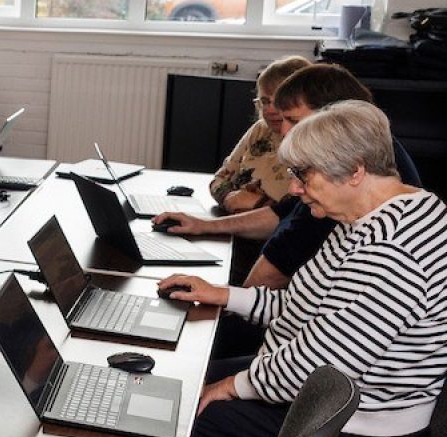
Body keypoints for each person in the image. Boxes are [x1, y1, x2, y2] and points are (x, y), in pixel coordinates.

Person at [163, 100, 447, 437]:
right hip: (344, 390)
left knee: (182, 427)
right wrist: (224, 295)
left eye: (304, 174)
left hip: (368, 418)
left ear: (356, 170)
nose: (294, 188)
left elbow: (318, 363)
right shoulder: (385, 211)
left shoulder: (391, 250)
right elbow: (302, 308)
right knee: (188, 385)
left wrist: (232, 387)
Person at [153, 64, 421, 291]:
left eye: (293, 120)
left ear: (332, 116)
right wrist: (203, 226)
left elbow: (280, 262)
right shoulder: (372, 149)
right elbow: (282, 214)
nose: (283, 132)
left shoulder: (337, 173)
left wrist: (228, 311)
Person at [208, 55, 310, 212]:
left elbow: (300, 211)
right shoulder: (260, 130)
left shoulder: (313, 143)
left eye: (277, 101)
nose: (269, 109)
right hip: (233, 217)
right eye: (264, 101)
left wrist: (258, 204)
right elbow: (219, 178)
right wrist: (230, 198)